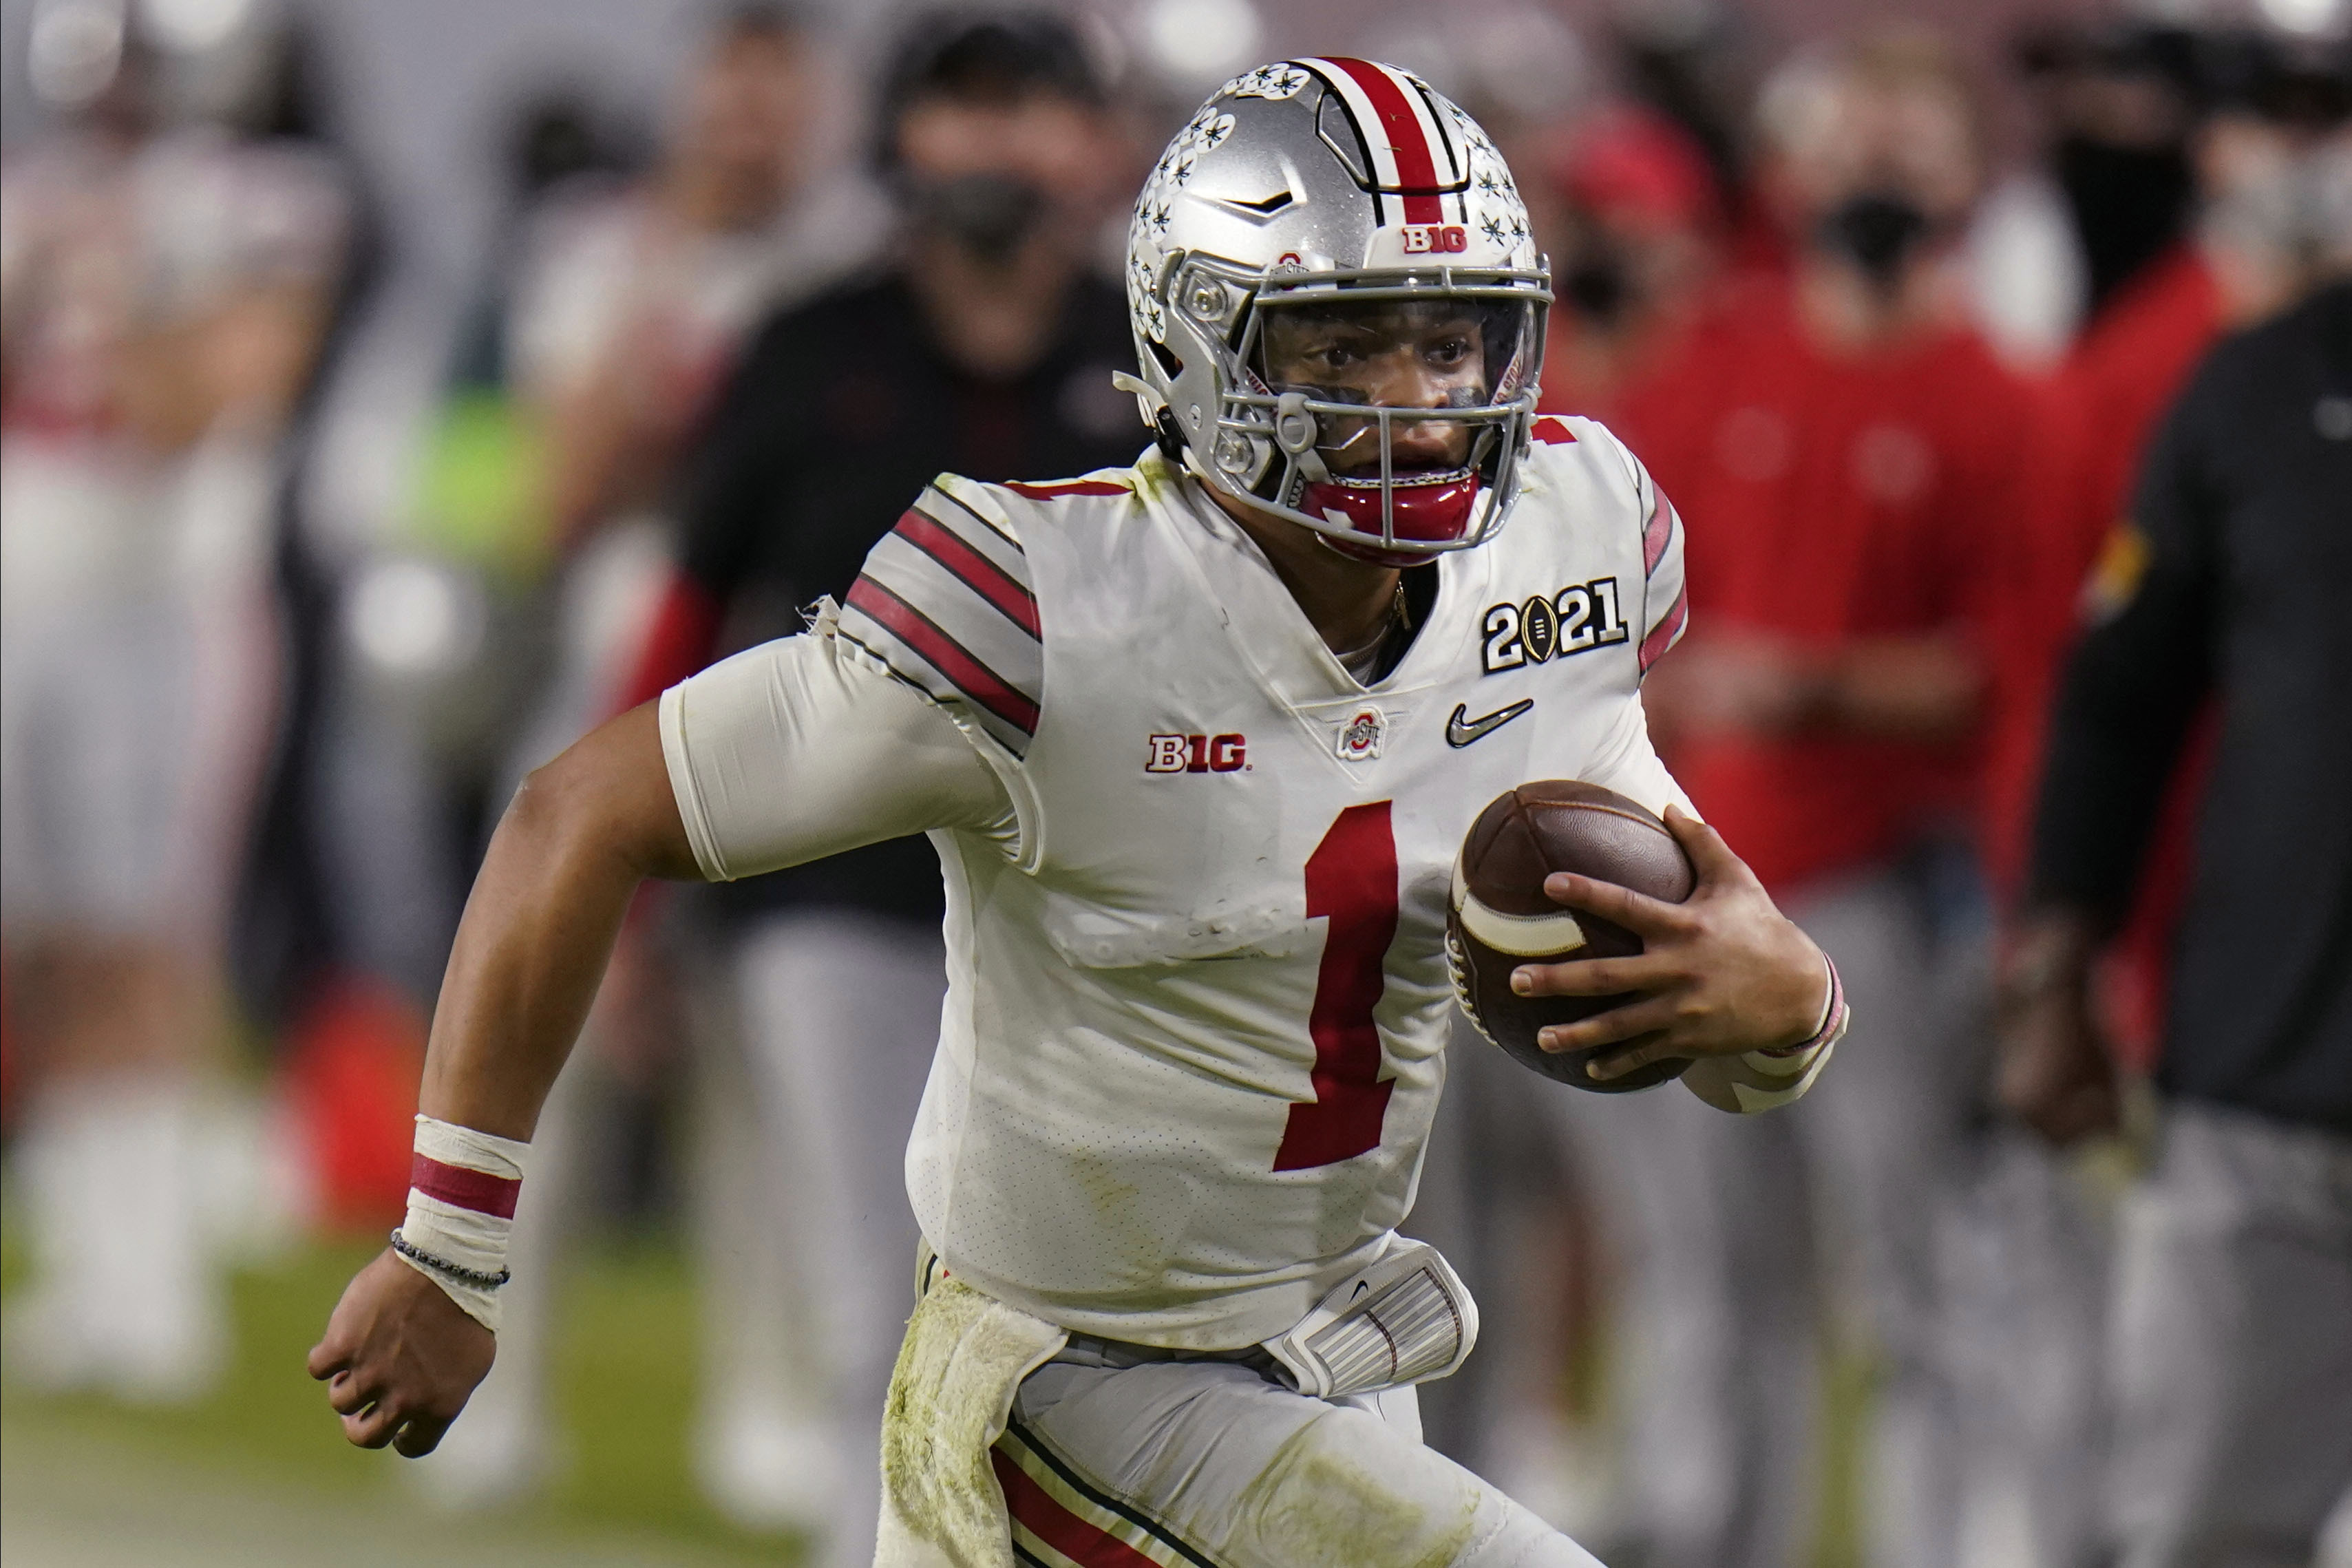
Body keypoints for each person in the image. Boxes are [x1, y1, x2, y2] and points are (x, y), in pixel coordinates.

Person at [308, 57, 1850, 1562]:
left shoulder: (1566, 552)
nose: (1420, 407)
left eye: (1453, 347)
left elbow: (1696, 989)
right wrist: (450, 1240)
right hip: (1071, 1384)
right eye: (1350, 348)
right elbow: (576, 810)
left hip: (1338, 1354)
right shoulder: (1041, 610)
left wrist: (1783, 1008)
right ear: (1202, 342)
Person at [600, 14, 1138, 1560]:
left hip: (1080, 907)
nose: (1000, 147)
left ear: (1093, 143)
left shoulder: (1147, 351)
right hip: (839, 886)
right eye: (967, 106)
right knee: (876, 1288)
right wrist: (635, 883)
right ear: (902, 138)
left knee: (1070, 1316)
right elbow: (680, 619)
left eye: (1034, 108)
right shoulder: (808, 342)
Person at [405, 6, 888, 1525]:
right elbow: (536, 502)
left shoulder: (851, 270)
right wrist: (638, 381)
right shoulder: (599, 250)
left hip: (795, 681)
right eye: (727, 91)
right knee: (530, 1031)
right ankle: (487, 1368)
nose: (748, 124)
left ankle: (767, 1395)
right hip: (607, 670)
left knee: (771, 1059)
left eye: (775, 92)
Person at [1600, 31, 2043, 1568]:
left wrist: (1817, 683)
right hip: (1699, 866)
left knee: (1905, 1270)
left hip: (1877, 881)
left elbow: (1998, 667)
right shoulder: (1724, 355)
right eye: (1849, 145)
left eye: (1905, 151)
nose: (1870, 179)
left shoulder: (1994, 397)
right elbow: (1633, 605)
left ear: (1966, 179)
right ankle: (1721, 1536)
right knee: (1720, 1274)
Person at [2000, 101, 2351, 1568]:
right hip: (2258, 1078)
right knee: (2206, 1526)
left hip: (2260, 1058)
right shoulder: (2263, 382)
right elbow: (2116, 695)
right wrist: (2050, 966)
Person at [2, 26, 350, 1402]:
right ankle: (89, 1264)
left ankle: (156, 1286)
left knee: (145, 936)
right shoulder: (36, 190)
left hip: (163, 594)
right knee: (43, 942)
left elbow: (206, 398)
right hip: (30, 574)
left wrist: (125, 270)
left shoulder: (262, 197)